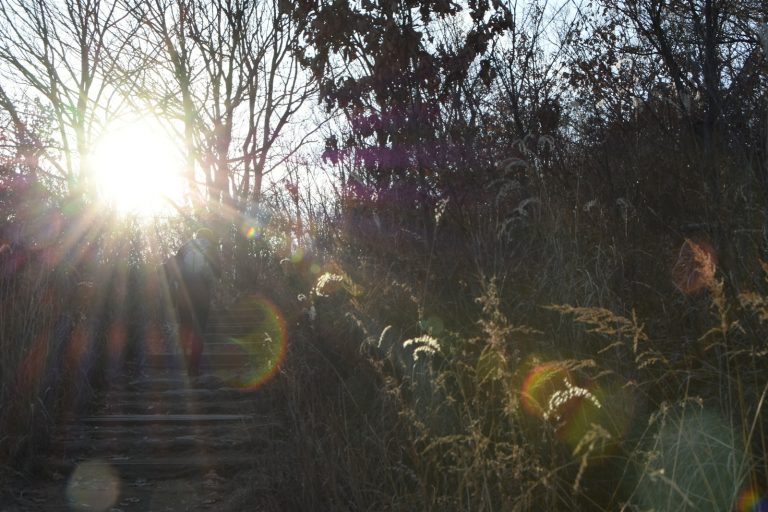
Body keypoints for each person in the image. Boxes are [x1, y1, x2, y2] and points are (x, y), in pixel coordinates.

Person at [171, 227, 221, 376]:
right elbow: (218, 272)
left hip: (183, 294)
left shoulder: (185, 247)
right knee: (199, 331)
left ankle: (185, 363)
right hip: (201, 296)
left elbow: (173, 269)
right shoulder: (210, 249)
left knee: (185, 328)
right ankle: (194, 368)